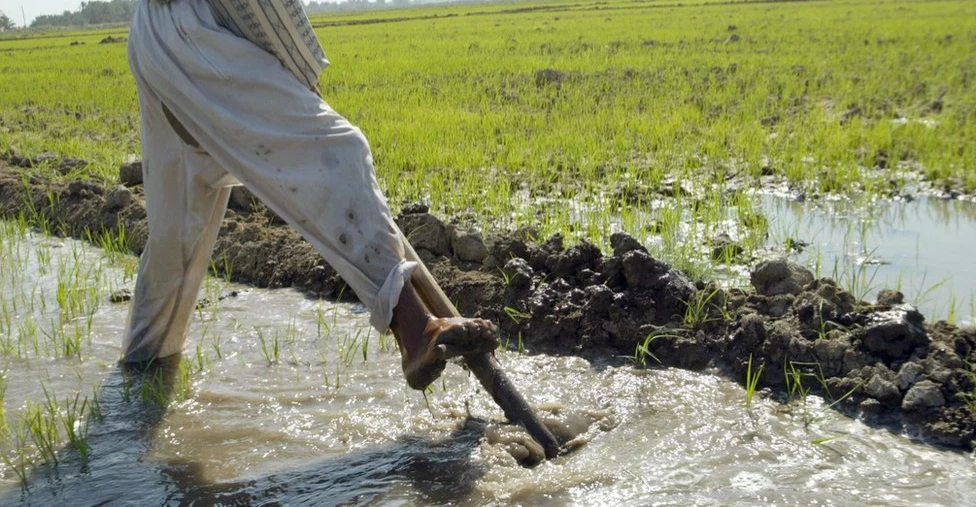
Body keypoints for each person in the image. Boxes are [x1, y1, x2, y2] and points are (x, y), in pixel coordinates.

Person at [122, 0, 497, 390]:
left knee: (176, 232)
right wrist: (301, 76)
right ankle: (416, 330)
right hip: (196, 33)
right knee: (337, 152)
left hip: (153, 35)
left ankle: (140, 375)